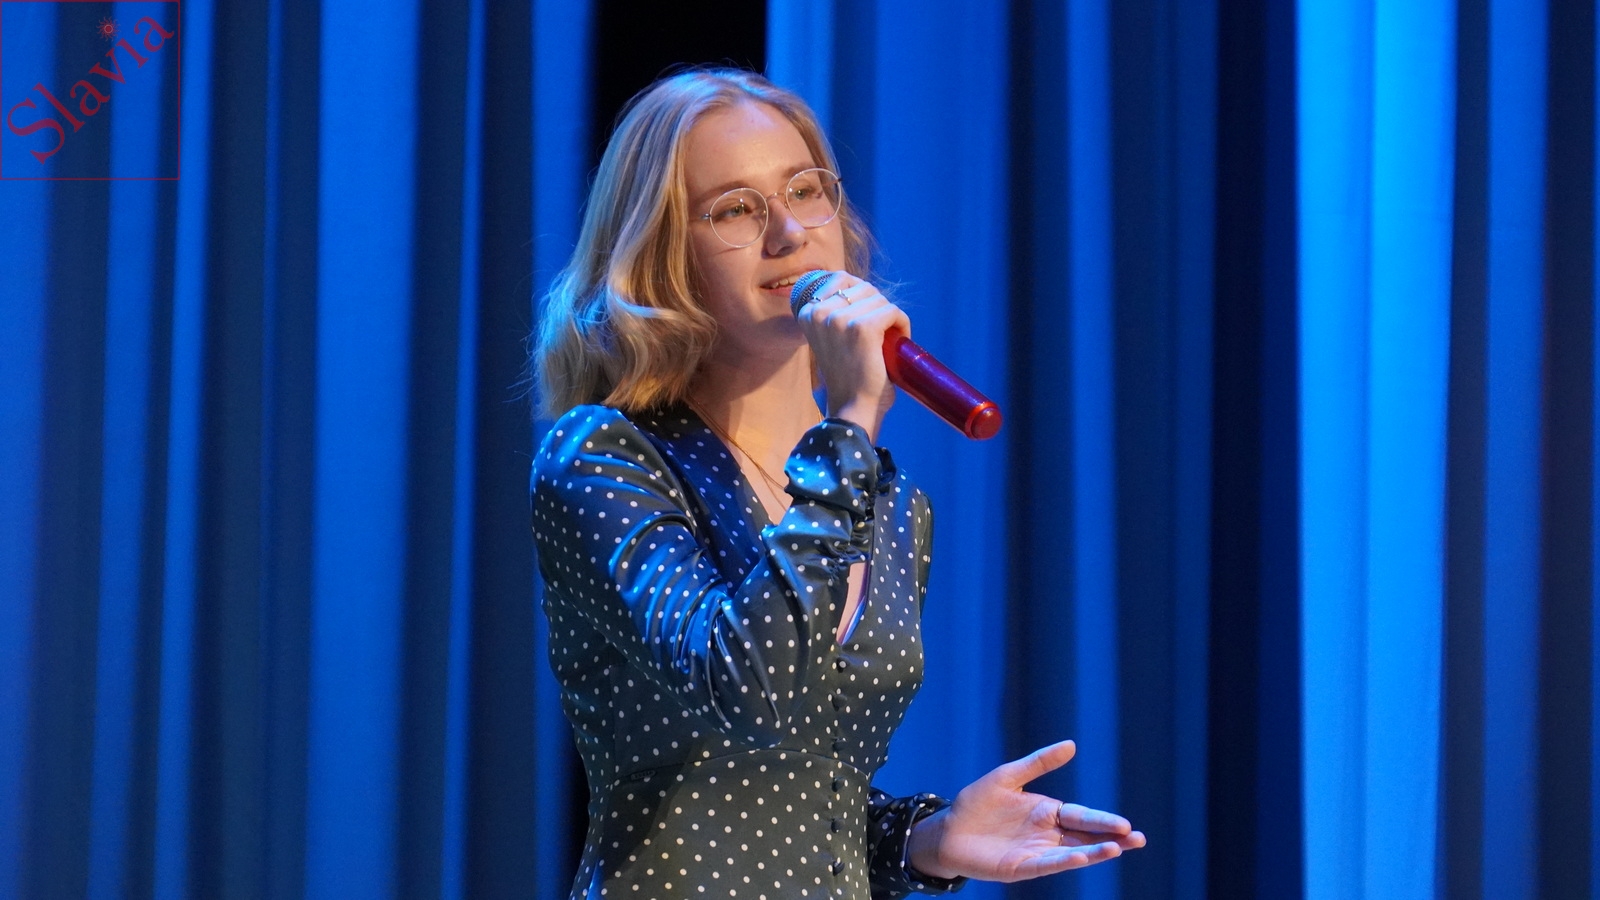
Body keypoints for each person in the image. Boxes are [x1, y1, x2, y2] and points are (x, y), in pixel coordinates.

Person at [530, 67, 1145, 900]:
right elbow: (747, 686)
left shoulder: (888, 503)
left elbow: (798, 797)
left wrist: (930, 839)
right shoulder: (606, 457)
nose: (789, 232)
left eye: (805, 191)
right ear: (662, 254)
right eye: (736, 209)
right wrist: (853, 417)